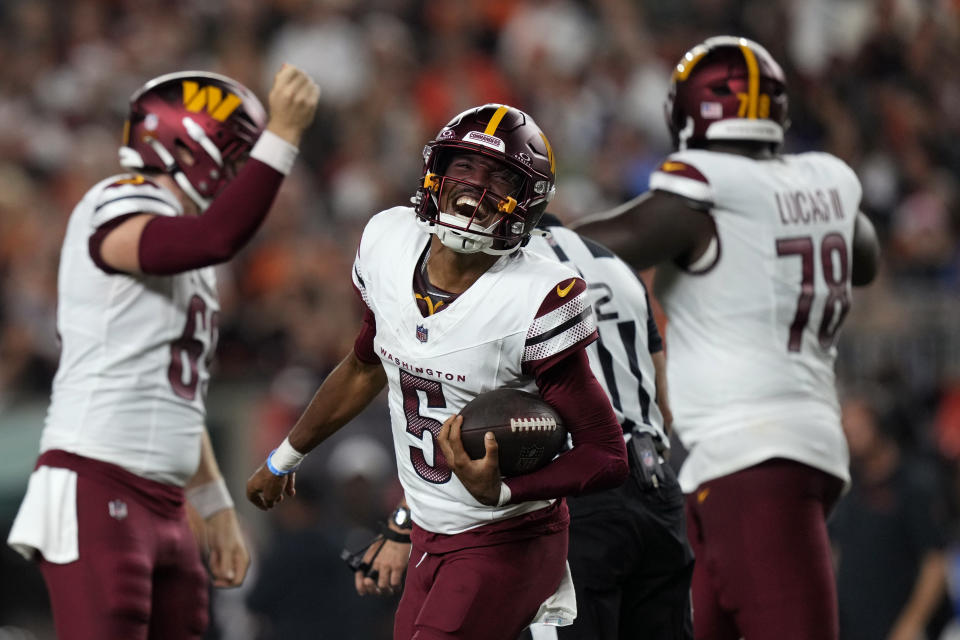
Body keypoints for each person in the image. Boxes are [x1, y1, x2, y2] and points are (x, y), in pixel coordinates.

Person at [247, 103, 629, 640]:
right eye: (466, 167)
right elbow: (364, 367)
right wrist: (287, 456)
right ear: (437, 172)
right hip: (431, 535)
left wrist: (503, 492)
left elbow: (607, 454)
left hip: (508, 537)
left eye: (501, 176)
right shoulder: (390, 242)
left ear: (528, 201)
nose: (477, 185)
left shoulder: (537, 294)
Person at [574, 36, 881, 640]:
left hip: (754, 457)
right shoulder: (827, 180)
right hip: (756, 455)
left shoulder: (708, 188)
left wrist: (529, 242)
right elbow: (863, 257)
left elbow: (626, 234)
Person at [6, 65, 320, 640]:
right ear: (188, 142)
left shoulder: (190, 261)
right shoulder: (117, 199)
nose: (238, 174)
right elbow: (215, 237)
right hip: (98, 477)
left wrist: (216, 503)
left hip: (169, 503)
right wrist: (283, 137)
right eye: (236, 155)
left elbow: (176, 394)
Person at [353, 214, 694, 640]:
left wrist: (403, 523)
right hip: (656, 489)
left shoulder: (506, 276)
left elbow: (454, 417)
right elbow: (664, 406)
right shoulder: (615, 265)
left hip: (576, 489)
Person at [830, 395, 950, 640]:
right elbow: (834, 553)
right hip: (851, 628)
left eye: (857, 427)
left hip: (900, 627)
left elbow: (935, 564)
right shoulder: (846, 486)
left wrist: (909, 627)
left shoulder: (914, 484)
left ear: (878, 425)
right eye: (845, 429)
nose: (850, 436)